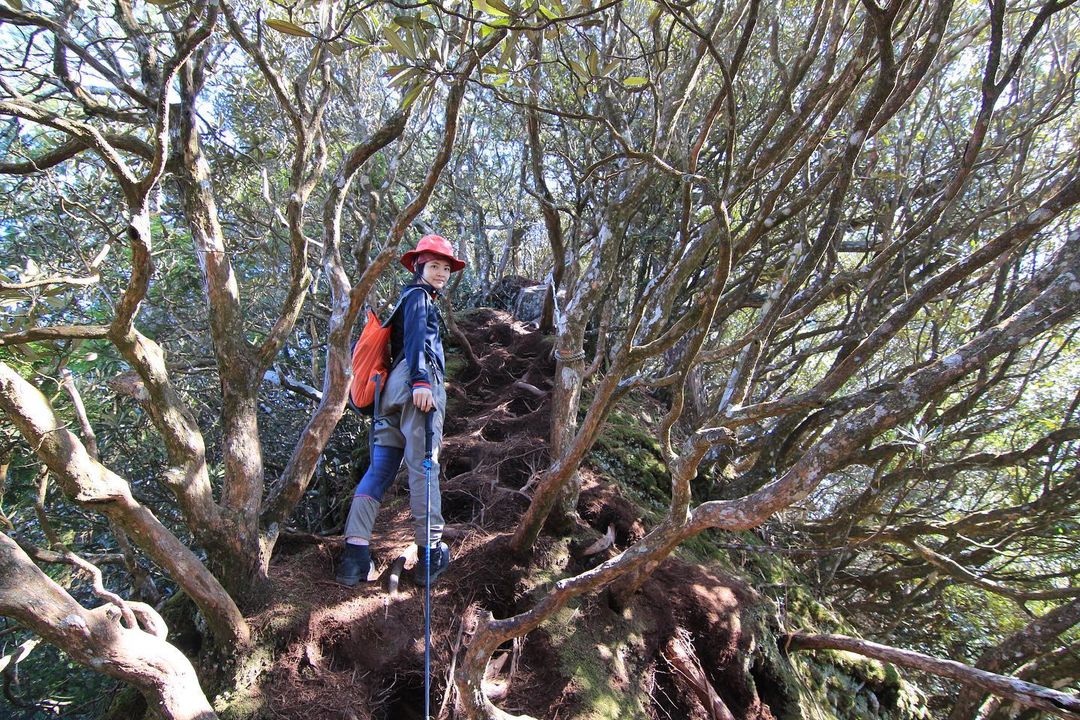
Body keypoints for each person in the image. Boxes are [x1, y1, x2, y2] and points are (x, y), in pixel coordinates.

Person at [336, 234, 466, 587]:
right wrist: (423, 381)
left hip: (388, 391)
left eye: (445, 267)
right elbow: (417, 340)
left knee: (379, 470)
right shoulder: (420, 298)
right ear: (419, 266)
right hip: (414, 383)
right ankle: (429, 553)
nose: (440, 272)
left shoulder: (405, 298)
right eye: (434, 266)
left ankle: (355, 557)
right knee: (424, 466)